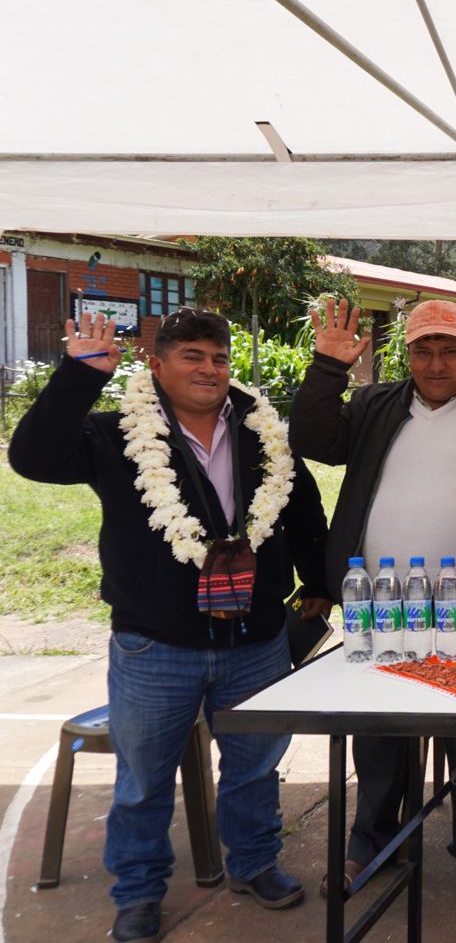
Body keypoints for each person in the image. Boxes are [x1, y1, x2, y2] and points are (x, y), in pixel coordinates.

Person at [9, 310, 330, 943]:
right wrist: (79, 377)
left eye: (218, 358)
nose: (208, 369)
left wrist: (317, 582)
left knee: (256, 766)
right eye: (191, 356)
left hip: (255, 638)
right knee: (143, 781)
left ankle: (255, 864)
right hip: (155, 642)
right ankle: (137, 892)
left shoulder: (262, 434)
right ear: (157, 366)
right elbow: (34, 459)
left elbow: (302, 507)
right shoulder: (117, 435)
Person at [290, 298, 456, 907]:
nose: (436, 363)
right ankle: (374, 842)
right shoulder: (372, 405)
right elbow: (310, 438)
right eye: (423, 350)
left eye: (449, 349)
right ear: (407, 354)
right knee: (380, 729)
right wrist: (328, 367)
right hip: (381, 602)